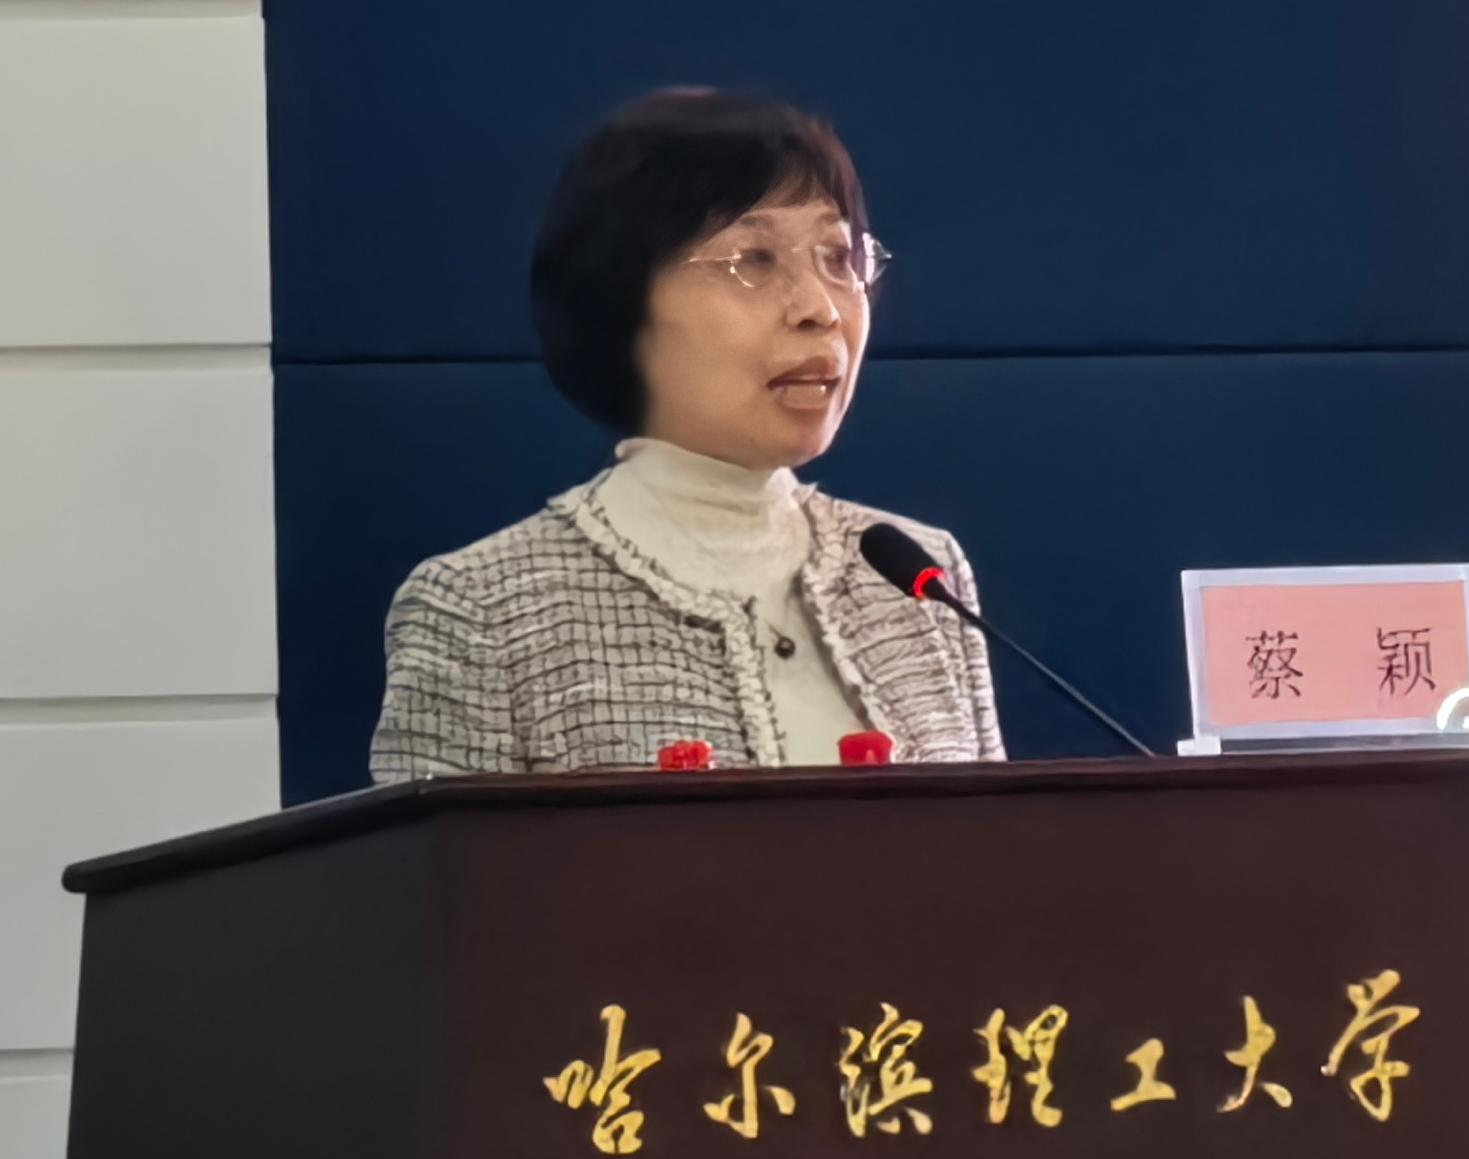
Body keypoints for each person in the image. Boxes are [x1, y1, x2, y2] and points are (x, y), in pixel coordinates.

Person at [370, 88, 1004, 779]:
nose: (821, 309)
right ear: (621, 300)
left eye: (836, 256)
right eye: (753, 259)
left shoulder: (920, 576)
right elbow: (442, 856)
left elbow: (997, 844)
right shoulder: (478, 610)